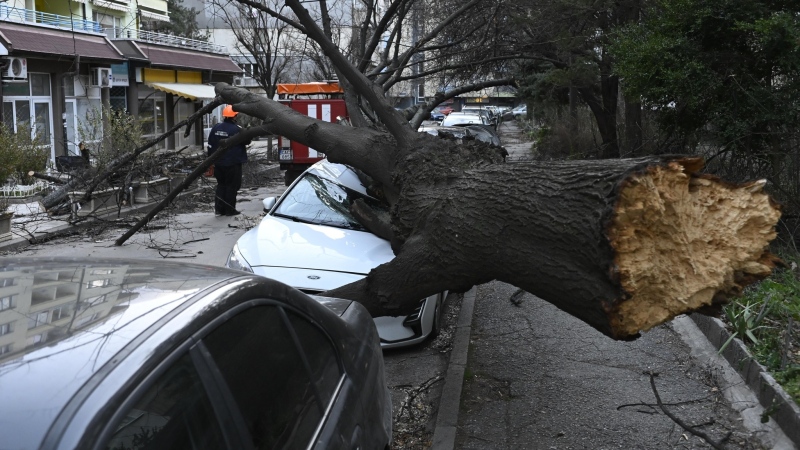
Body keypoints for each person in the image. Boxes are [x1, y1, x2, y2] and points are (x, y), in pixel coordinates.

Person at [207, 105, 251, 216]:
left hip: (218, 163)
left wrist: (210, 161)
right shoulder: (237, 129)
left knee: (221, 185)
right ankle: (229, 210)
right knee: (232, 186)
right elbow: (246, 141)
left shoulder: (215, 128)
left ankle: (219, 209)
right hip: (233, 163)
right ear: (235, 116)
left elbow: (210, 145)